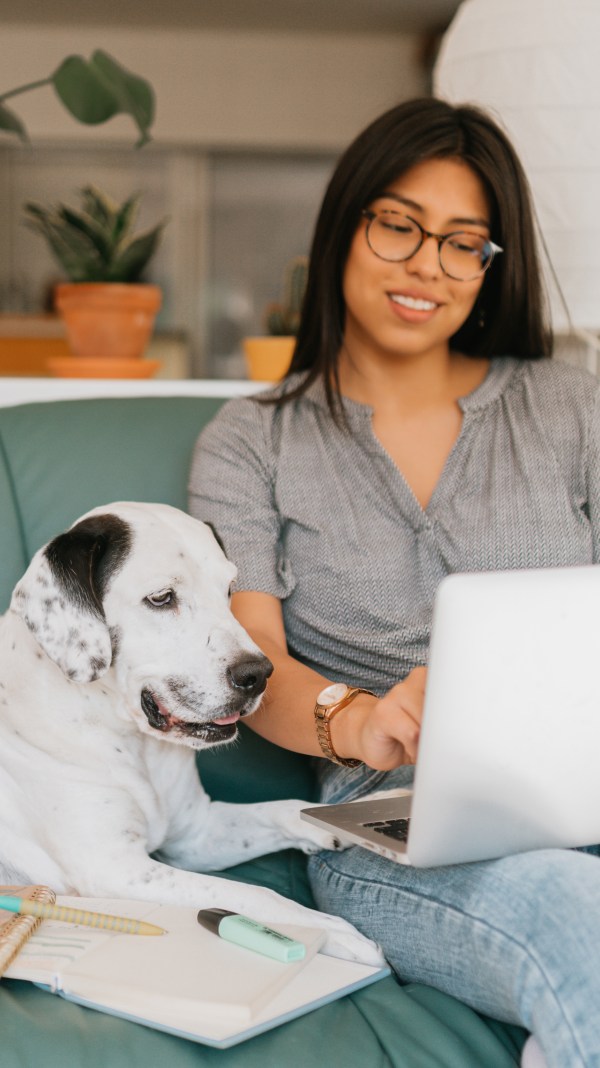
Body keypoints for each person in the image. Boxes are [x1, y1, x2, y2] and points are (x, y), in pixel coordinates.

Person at [189, 97, 600, 1068]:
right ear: (347, 224)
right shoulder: (255, 443)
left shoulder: (573, 407)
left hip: (582, 793)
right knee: (572, 912)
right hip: (396, 833)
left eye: (465, 243)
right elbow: (255, 670)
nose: (428, 266)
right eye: (400, 226)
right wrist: (360, 720)